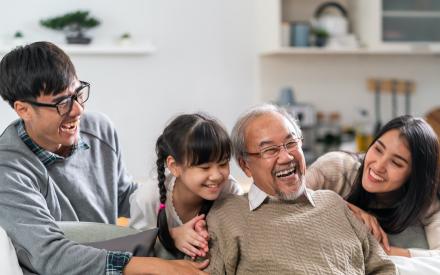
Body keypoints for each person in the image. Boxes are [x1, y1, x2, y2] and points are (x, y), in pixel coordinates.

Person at [0, 42, 207, 274]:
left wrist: (171, 230)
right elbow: (49, 255)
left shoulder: (99, 130)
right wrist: (157, 266)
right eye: (61, 103)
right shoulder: (8, 169)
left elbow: (125, 197)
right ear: (23, 110)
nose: (78, 110)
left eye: (78, 94)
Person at [204, 104, 396, 274]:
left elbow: (383, 268)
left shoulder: (334, 203)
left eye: (291, 143)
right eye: (269, 150)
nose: (286, 157)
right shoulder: (227, 215)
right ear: (245, 165)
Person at [306, 115, 440, 257]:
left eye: (396, 162)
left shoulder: (425, 200)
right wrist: (346, 209)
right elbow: (286, 198)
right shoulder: (337, 167)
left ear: (414, 176)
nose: (379, 165)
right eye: (378, 149)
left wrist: (385, 251)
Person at [129, 113, 242, 258]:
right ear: (174, 166)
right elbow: (132, 252)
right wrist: (170, 237)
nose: (216, 175)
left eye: (223, 164)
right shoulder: (147, 198)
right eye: (205, 167)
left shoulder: (230, 190)